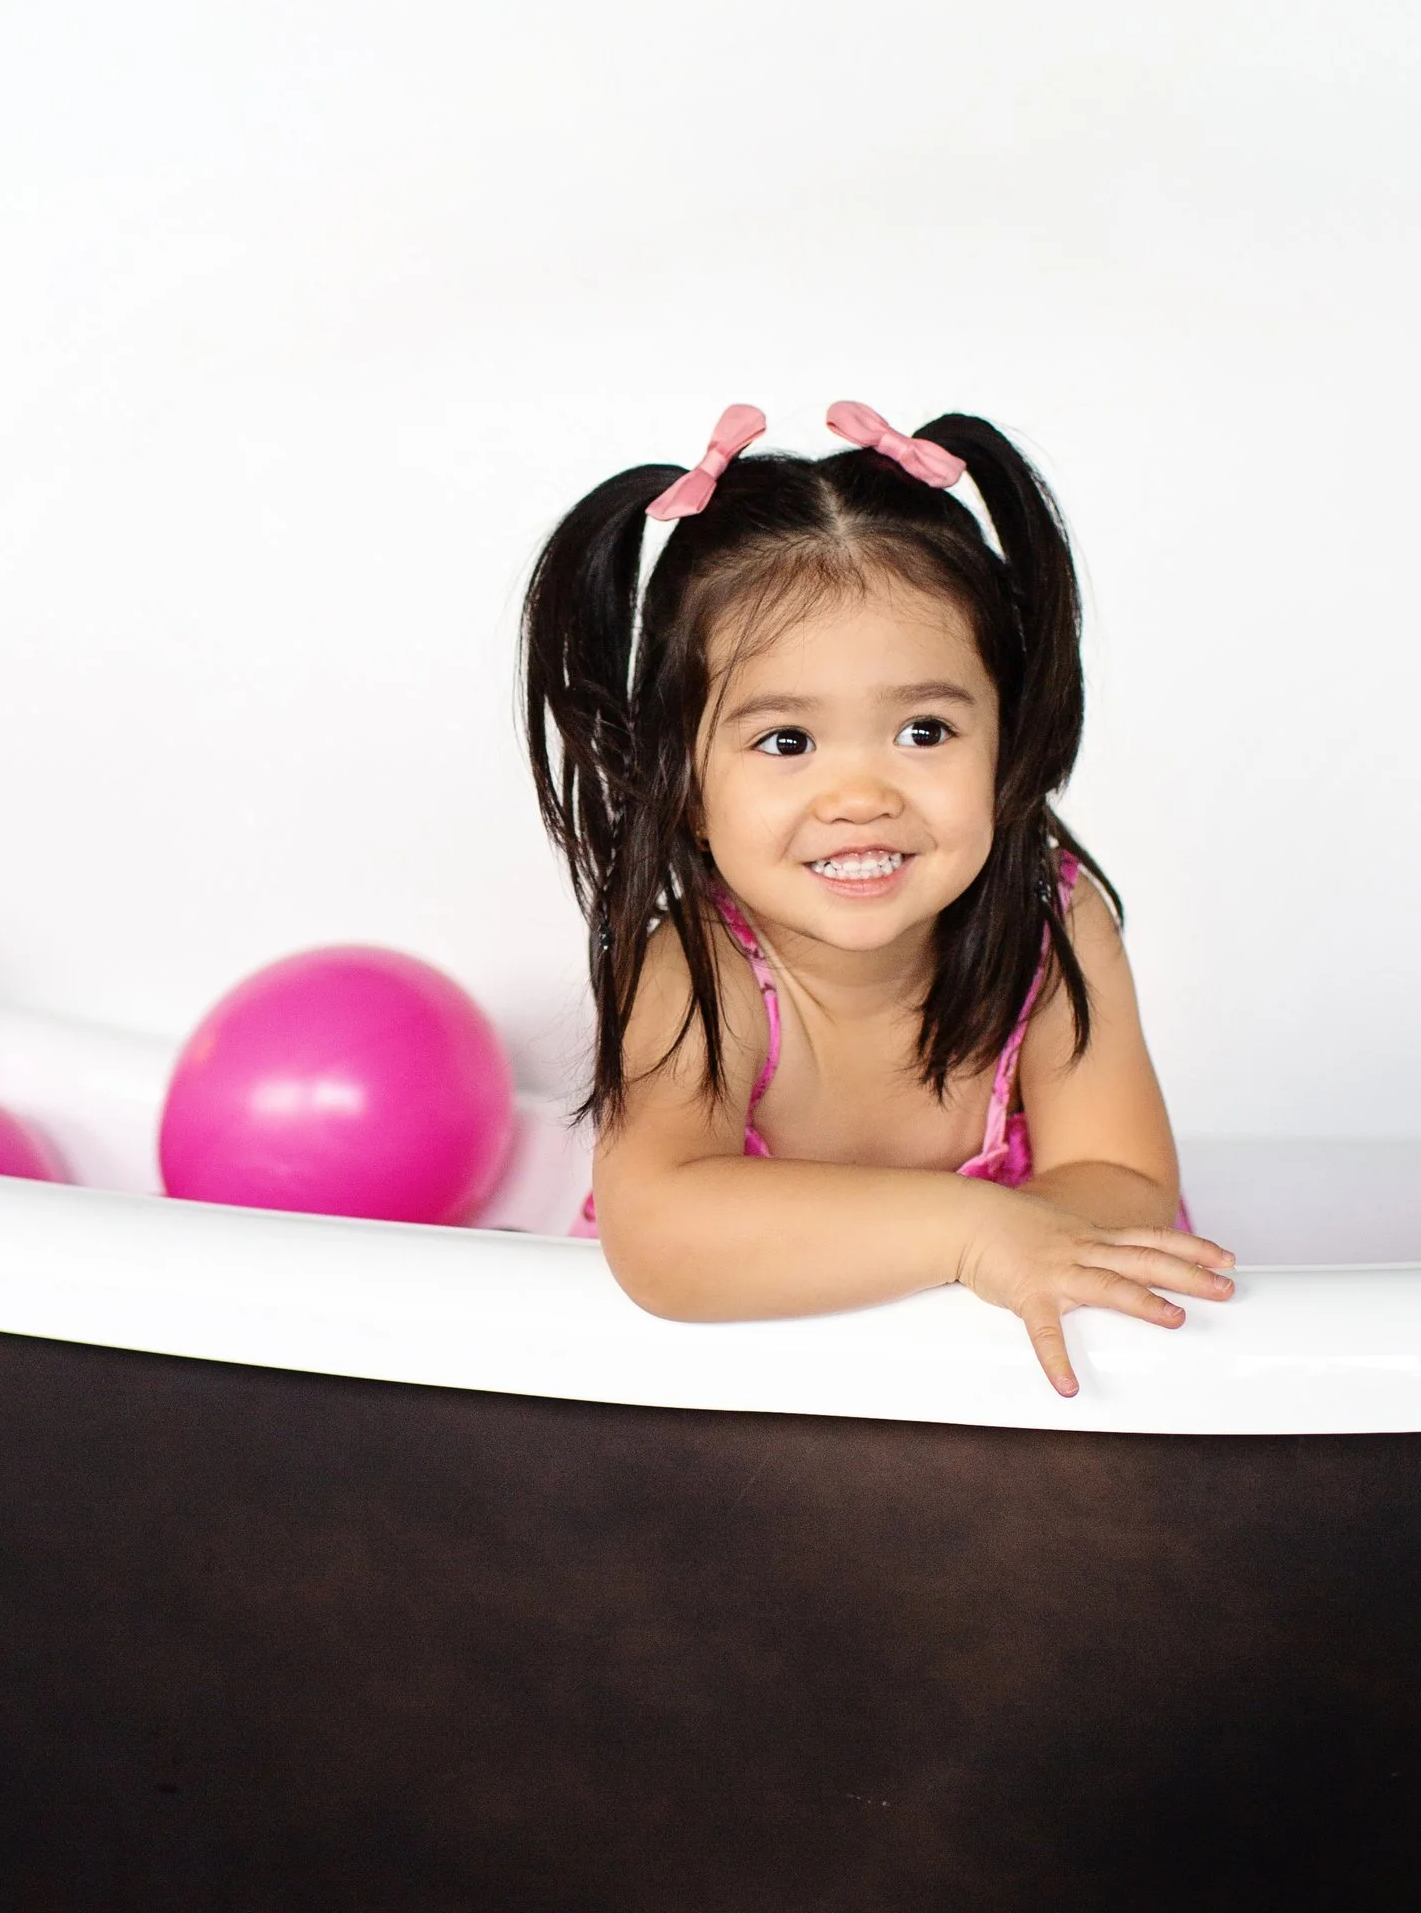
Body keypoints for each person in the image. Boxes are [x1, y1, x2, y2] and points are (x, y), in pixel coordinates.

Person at [520, 398, 1235, 1395]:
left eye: (925, 731)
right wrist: (966, 1233)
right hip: (754, 1400)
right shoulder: (700, 969)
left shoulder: (1053, 925)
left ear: (1009, 736)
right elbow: (662, 1235)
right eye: (786, 742)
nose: (860, 798)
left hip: (1014, 1403)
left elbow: (1125, 1183)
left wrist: (1001, 1248)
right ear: (682, 785)